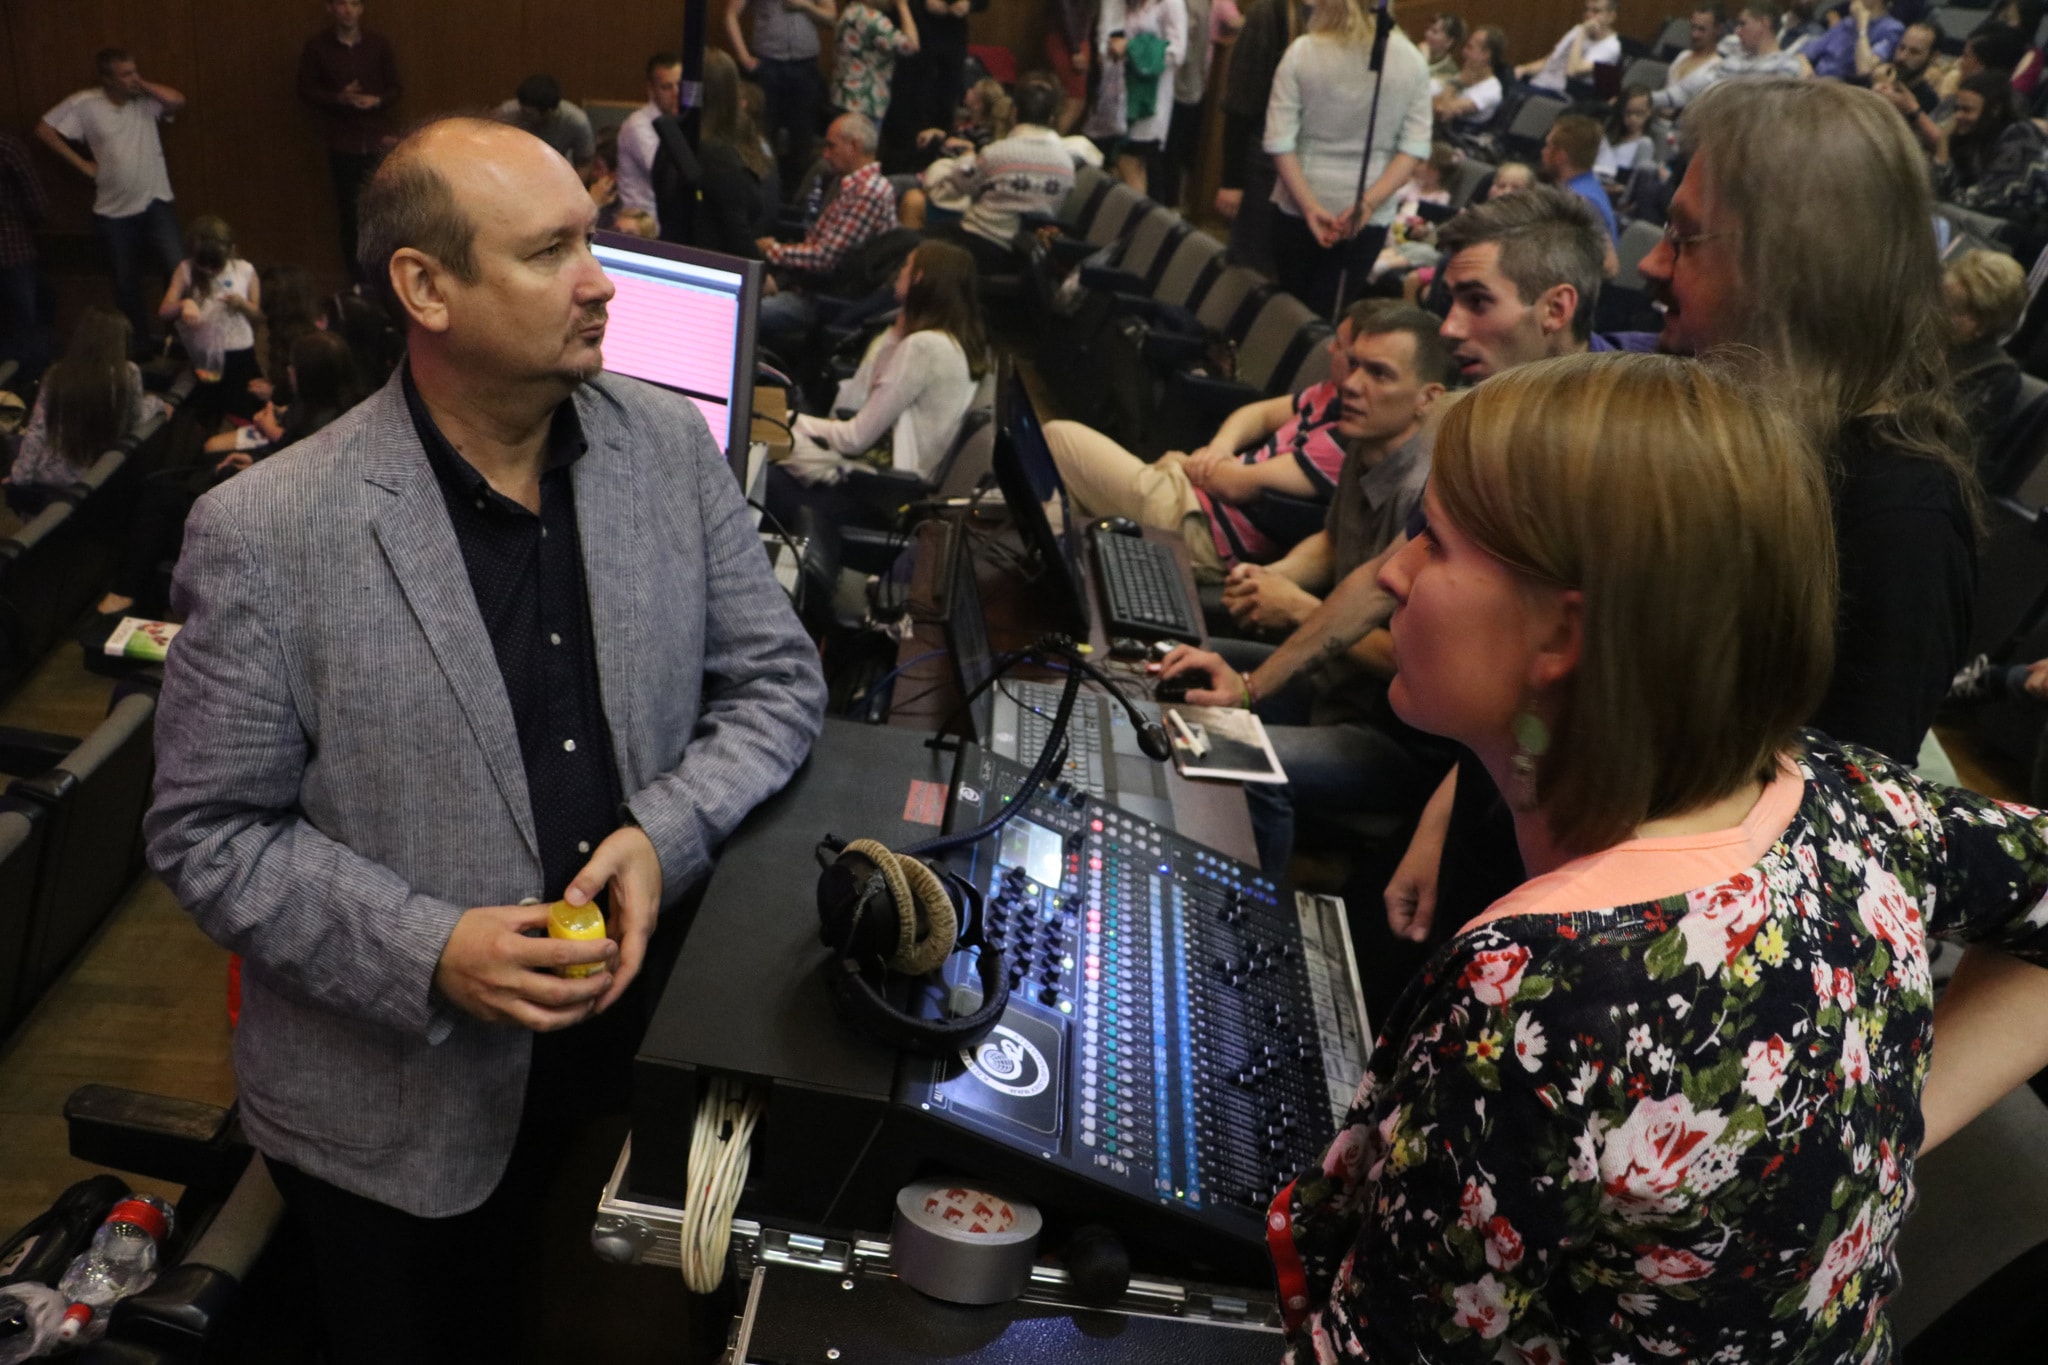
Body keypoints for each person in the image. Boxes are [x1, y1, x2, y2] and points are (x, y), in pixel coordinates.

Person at [144, 117, 825, 1365]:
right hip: (395, 1129)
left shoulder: (665, 447)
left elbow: (777, 682)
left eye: (593, 240)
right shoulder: (268, 531)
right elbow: (208, 835)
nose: (601, 281)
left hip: (637, 1070)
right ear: (426, 288)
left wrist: (661, 835)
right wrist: (429, 949)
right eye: (552, 251)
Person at [1268, 347, 2048, 1365]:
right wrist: (1881, 1128)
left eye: (1436, 540)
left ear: (1563, 636)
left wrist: (1898, 1120)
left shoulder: (1532, 994)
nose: (1391, 571)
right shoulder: (1857, 796)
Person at [1384, 78, 1979, 952]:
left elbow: (1814, 852)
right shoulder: (1699, 423)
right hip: (1505, 882)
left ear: (1795, 262)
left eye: (1686, 238)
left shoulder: (1900, 522)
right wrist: (1450, 807)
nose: (1653, 266)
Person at [1043, 299, 1381, 583]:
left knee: (1058, 439)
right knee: (1066, 497)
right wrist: (1220, 447)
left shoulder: (1344, 442)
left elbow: (1235, 485)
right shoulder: (1329, 393)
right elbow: (1258, 415)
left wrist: (1186, 463)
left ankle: (1053, 573)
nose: (1329, 348)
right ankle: (1056, 577)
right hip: (1194, 499)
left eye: (1339, 345)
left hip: (1204, 533)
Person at [764, 238, 987, 525]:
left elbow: (854, 439)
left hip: (876, 495)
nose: (899, 273)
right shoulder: (950, 344)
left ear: (919, 278)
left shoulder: (924, 347)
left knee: (758, 469)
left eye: (906, 266)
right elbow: (851, 406)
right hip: (886, 486)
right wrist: (894, 334)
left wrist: (785, 420)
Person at [1265, 0, 1434, 316]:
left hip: (1299, 201)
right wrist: (1367, 205)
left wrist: (1310, 207)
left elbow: (1278, 141)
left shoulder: (1302, 51)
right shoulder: (1413, 60)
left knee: (1289, 313)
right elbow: (1413, 149)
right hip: (1369, 214)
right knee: (1329, 314)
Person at [36, 48, 185, 349]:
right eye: (125, 74)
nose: (134, 78)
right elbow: (44, 130)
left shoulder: (145, 100)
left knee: (177, 268)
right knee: (125, 280)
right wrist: (82, 164)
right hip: (113, 211)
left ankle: (179, 338)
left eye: (135, 71)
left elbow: (177, 101)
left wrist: (141, 84)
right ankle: (139, 343)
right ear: (107, 79)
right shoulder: (85, 103)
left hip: (156, 200)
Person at [755, 113, 900, 353]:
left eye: (832, 146)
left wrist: (772, 250)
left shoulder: (869, 192)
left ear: (854, 146)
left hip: (823, 298)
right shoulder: (848, 184)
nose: (825, 154)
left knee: (740, 313)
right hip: (804, 284)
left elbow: (826, 257)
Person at [1, 308, 154, 518]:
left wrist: (18, 478)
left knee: (11, 442)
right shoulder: (128, 374)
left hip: (50, 474)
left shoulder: (57, 374)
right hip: (98, 474)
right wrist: (157, 404)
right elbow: (135, 419)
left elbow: (37, 431)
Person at [298, 0, 400, 278]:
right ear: (330, 8)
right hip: (343, 142)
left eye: (354, 4)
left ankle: (386, 277)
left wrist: (377, 100)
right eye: (341, 4)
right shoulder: (317, 47)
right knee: (350, 214)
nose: (348, 10)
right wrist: (339, 98)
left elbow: (395, 88)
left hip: (378, 140)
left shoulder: (378, 44)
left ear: (362, 8)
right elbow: (306, 90)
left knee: (383, 211)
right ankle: (357, 279)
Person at [934, 79, 1077, 271]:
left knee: (912, 240)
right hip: (1030, 257)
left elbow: (961, 184)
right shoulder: (1067, 164)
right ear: (1052, 119)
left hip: (981, 243)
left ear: (1014, 113)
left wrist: (967, 157)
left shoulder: (997, 153)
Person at [1216, 0, 1309, 272]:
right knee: (1252, 264)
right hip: (1264, 160)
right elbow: (1241, 103)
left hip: (1304, 163)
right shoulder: (1270, 12)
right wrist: (1231, 180)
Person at [159, 215, 262, 430]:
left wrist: (241, 304)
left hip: (239, 353)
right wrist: (184, 303)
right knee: (207, 410)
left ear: (231, 251)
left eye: (215, 266)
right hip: (205, 354)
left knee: (241, 410)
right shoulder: (185, 269)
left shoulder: (245, 270)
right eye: (203, 265)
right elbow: (164, 311)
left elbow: (257, 313)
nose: (208, 271)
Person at [726, 0, 837, 196]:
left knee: (803, 138)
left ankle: (795, 198)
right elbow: (730, 15)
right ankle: (764, 195)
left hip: (806, 67)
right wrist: (744, 57)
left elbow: (831, 18)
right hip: (769, 65)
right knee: (764, 135)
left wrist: (805, 6)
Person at [1944, 247, 2029, 484]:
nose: (1938, 312)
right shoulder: (1922, 339)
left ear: (1980, 323)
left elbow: (1952, 449)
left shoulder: (1997, 376)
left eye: (1953, 310)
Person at [1093, 0, 1191, 194]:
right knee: (1118, 163)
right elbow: (1107, 37)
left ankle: (1141, 211)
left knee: (1135, 160)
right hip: (1120, 94)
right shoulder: (1126, 4)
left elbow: (1177, 52)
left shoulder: (1171, 4)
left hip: (1150, 97)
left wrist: (1133, 48)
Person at [1653, 0, 1812, 113]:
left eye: (1743, 24)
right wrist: (1649, 100)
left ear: (1764, 23)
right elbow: (1688, 91)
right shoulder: (1733, 62)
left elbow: (1768, 113)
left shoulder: (1787, 66)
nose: (1737, 31)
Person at [692, 49, 777, 258]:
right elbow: (736, 236)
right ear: (731, 94)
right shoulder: (719, 156)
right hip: (718, 266)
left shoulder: (672, 140)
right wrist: (762, 271)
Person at [1933, 71, 2045, 216]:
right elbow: (1938, 189)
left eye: (1967, 110)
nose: (1958, 116)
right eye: (1956, 109)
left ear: (1994, 109)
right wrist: (1943, 142)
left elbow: (1982, 202)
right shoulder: (1970, 136)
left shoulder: (2020, 136)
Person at [1539, 114, 1621, 275]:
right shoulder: (1583, 187)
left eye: (1548, 146)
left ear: (1560, 156)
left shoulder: (1583, 201)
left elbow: (1607, 267)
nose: (1543, 152)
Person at [0, 130, 50, 381]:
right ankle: (28, 385)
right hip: (13, 247)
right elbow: (37, 203)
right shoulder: (8, 146)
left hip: (13, 248)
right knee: (26, 325)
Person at [616, 52, 684, 232]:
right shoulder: (638, 125)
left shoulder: (682, 121)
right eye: (667, 87)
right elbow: (667, 175)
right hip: (641, 228)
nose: (676, 93)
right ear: (651, 89)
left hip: (665, 224)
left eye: (680, 85)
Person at [829, 0, 920, 124]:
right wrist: (902, 5)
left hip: (843, 95)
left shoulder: (850, 11)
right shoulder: (872, 19)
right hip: (865, 100)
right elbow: (911, 45)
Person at [1518, 0, 1622, 95]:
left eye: (1596, 11)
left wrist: (1582, 33)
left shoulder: (1610, 47)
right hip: (1538, 83)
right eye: (1587, 10)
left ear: (1611, 17)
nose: (1589, 15)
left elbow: (1572, 71)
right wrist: (1523, 69)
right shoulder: (1577, 29)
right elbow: (1549, 60)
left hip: (1561, 94)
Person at [497, 74, 594, 170]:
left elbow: (584, 163)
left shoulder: (576, 121)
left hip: (558, 170)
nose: (524, 116)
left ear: (549, 112)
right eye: (522, 110)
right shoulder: (505, 115)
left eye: (529, 114)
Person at [1431, 25, 1509, 130]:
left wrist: (1456, 83)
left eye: (1470, 47)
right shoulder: (1463, 76)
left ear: (1485, 54)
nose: (1464, 52)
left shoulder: (1491, 90)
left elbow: (1441, 111)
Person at [1808, 0, 1901, 80]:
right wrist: (1806, 67)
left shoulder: (1891, 29)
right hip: (1816, 78)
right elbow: (1807, 52)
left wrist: (1862, 25)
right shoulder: (1847, 22)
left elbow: (1864, 69)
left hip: (1845, 85)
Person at [1597, 88, 1657, 182]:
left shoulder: (1645, 143)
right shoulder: (1609, 135)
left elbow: (1637, 180)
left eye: (1639, 113)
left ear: (1650, 112)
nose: (1633, 118)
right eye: (1628, 113)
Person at [1666, 4, 1728, 95]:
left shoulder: (1717, 67)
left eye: (1702, 30)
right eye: (1693, 27)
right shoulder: (1683, 55)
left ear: (1719, 29)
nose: (1694, 34)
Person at [1422, 11, 1467, 81]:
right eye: (1428, 29)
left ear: (1449, 42)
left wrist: (1423, 60)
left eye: (1434, 31)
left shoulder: (1450, 73)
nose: (1427, 34)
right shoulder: (1416, 54)